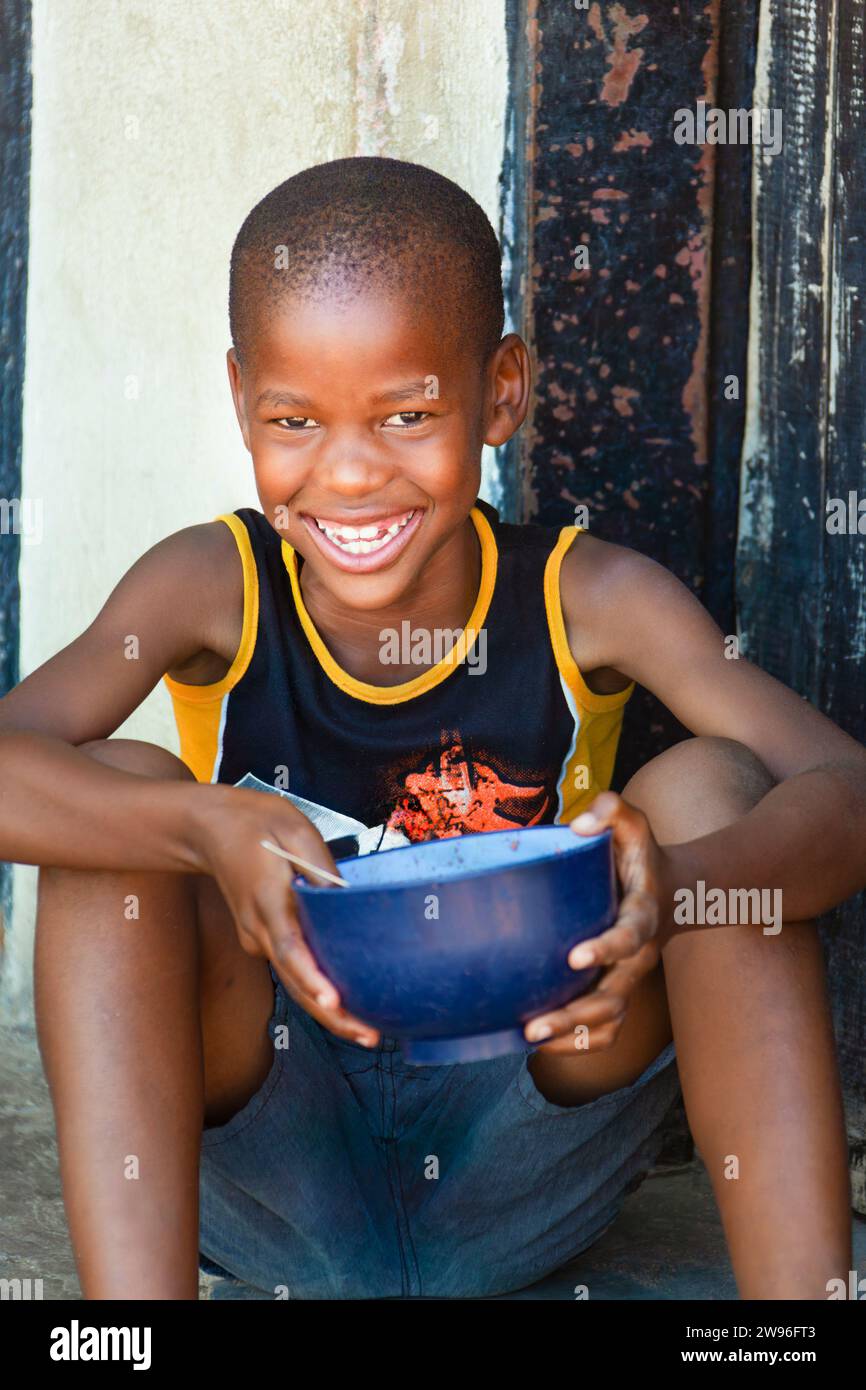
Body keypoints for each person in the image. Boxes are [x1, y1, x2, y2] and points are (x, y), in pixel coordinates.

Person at [2, 157, 861, 1299]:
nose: (350, 473)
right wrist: (201, 824)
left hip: (517, 1154)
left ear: (500, 389)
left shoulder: (590, 600)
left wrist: (677, 890)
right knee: (110, 800)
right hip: (273, 1157)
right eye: (292, 419)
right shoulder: (208, 584)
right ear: (239, 398)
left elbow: (841, 789)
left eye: (408, 414)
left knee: (702, 789)